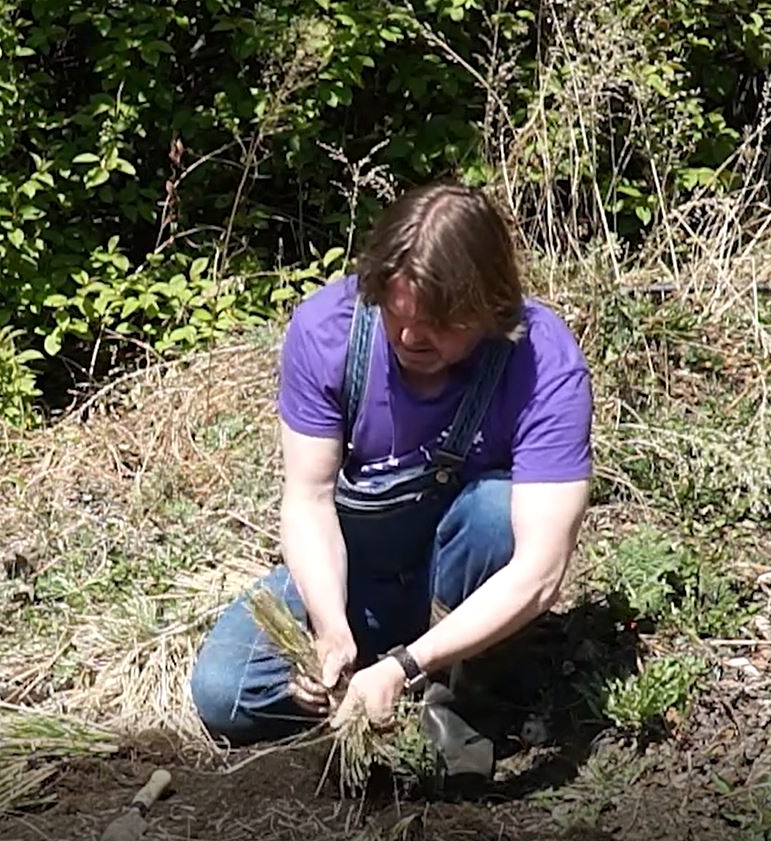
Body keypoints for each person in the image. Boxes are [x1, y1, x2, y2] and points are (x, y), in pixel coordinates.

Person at [187, 180, 594, 784]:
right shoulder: (326, 332)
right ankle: (366, 685)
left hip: (459, 573)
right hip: (364, 577)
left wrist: (407, 664)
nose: (410, 339)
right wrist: (328, 631)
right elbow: (308, 499)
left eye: (436, 326)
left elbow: (539, 573)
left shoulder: (543, 363)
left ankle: (461, 693)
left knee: (493, 510)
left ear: (490, 307)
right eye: (396, 317)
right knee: (225, 690)